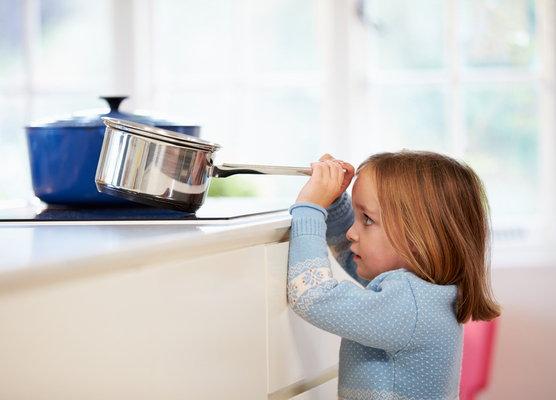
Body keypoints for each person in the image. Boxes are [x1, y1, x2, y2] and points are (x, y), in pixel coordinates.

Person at [287, 150, 501, 400]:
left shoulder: (410, 306)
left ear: (416, 237)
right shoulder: (424, 292)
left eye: (366, 219)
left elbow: (311, 296)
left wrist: (310, 210)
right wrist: (333, 205)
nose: (351, 233)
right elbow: (353, 255)